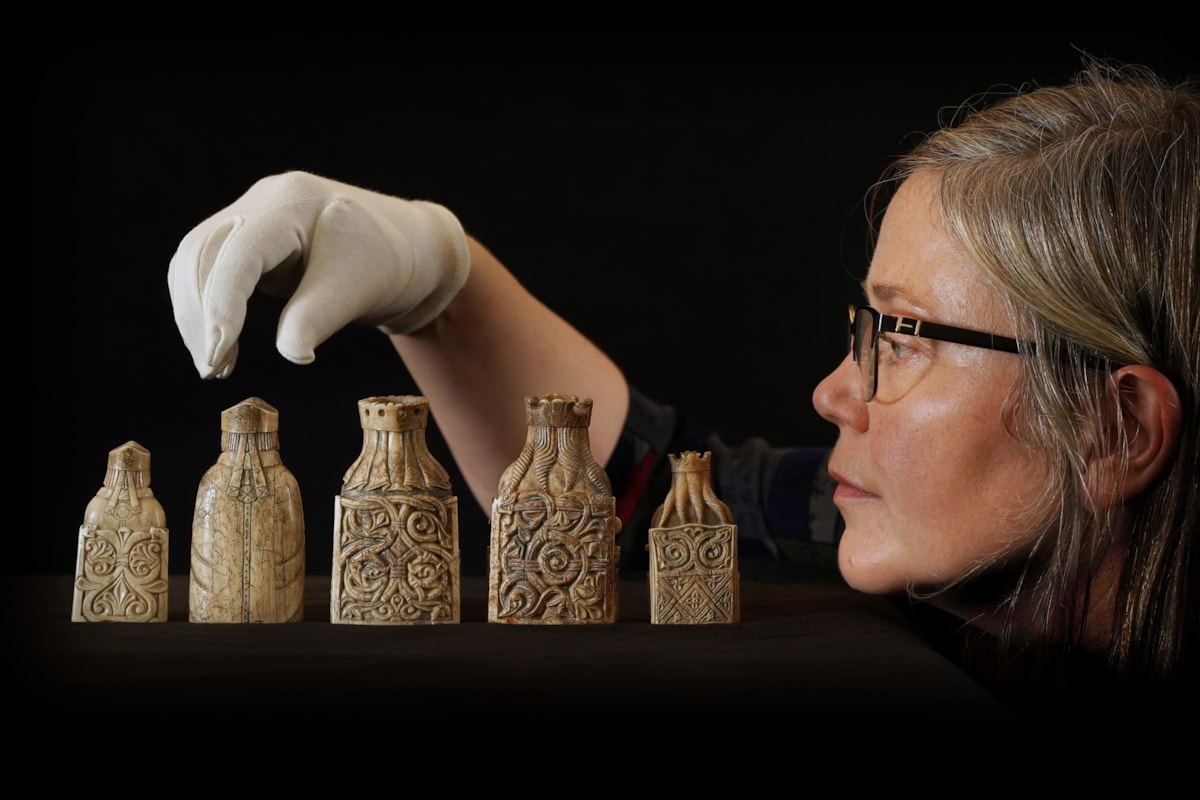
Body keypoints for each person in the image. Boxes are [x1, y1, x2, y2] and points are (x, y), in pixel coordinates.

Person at [168, 58, 1198, 716]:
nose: (837, 389)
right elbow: (654, 508)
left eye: (908, 337)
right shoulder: (932, 575)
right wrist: (441, 283)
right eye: (862, 330)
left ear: (1116, 428)